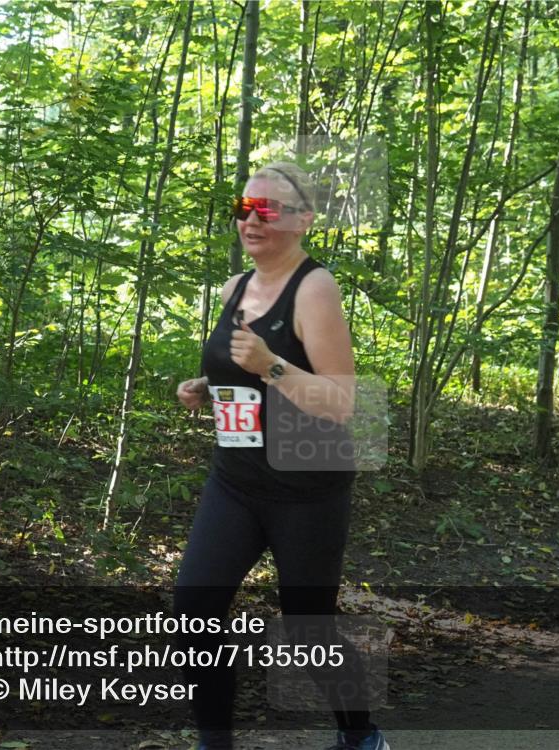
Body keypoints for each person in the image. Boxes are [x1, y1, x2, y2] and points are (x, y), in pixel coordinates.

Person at [173, 162, 389, 750]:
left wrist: (269, 364)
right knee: (194, 613)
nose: (251, 219)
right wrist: (205, 386)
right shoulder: (233, 288)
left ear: (303, 221)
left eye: (267, 209)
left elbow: (341, 400)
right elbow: (239, 372)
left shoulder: (315, 287)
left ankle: (360, 734)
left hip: (306, 485)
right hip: (236, 480)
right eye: (245, 207)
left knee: (307, 629)